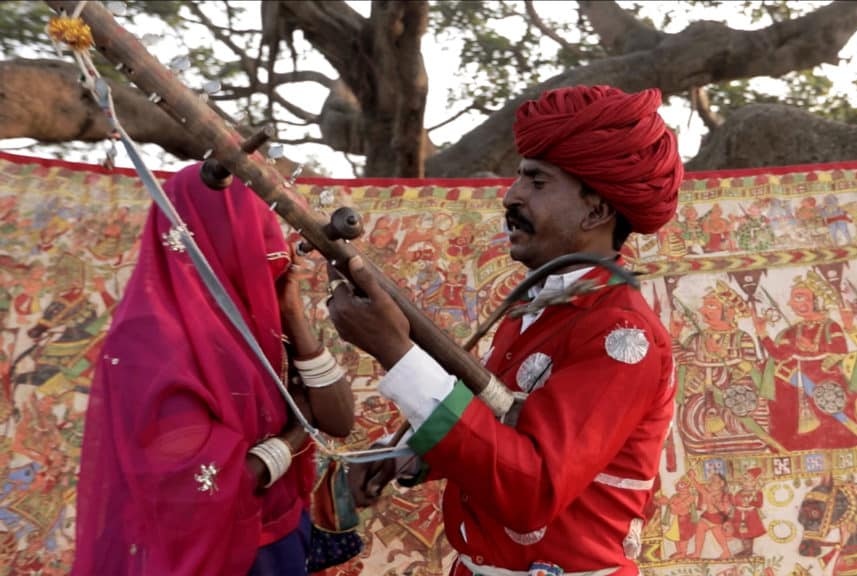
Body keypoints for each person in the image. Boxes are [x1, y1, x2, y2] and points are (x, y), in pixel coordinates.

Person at [328, 85, 683, 575]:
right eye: (519, 178)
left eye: (536, 182)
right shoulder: (533, 308)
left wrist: (395, 349)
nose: (511, 196)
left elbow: (531, 488)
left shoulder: (621, 334)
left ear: (596, 210)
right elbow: (501, 432)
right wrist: (406, 455)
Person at [72, 164, 355, 575]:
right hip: (211, 557)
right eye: (251, 232)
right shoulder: (148, 341)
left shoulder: (258, 318)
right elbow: (200, 488)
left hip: (283, 542)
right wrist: (295, 437)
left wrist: (290, 309)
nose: (267, 248)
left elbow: (339, 420)